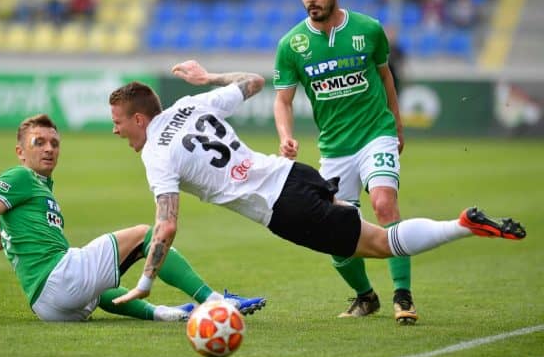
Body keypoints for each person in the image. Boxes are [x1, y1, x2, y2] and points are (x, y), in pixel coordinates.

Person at [107, 59, 525, 309]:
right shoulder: (190, 104)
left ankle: (463, 225)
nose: (115, 131)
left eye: (118, 122)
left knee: (381, 243)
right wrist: (208, 76)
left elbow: (166, 225)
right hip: (295, 174)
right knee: (360, 232)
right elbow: (254, 82)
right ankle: (366, 298)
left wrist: (145, 283)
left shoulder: (156, 154)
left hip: (284, 209)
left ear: (139, 119)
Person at [0, 114, 265, 321]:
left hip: (50, 308)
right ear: (20, 152)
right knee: (146, 234)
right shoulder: (20, 177)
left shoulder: (30, 197)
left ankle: (164, 314)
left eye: (54, 143)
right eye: (39, 143)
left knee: (96, 285)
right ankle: (214, 301)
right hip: (59, 281)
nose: (49, 149)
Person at [272, 0, 415, 323]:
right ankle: (366, 297)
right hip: (335, 148)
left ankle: (403, 295)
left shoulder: (368, 29)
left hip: (375, 133)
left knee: (384, 203)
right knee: (333, 229)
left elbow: (386, 78)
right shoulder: (291, 45)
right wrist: (286, 136)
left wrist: (397, 126)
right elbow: (283, 100)